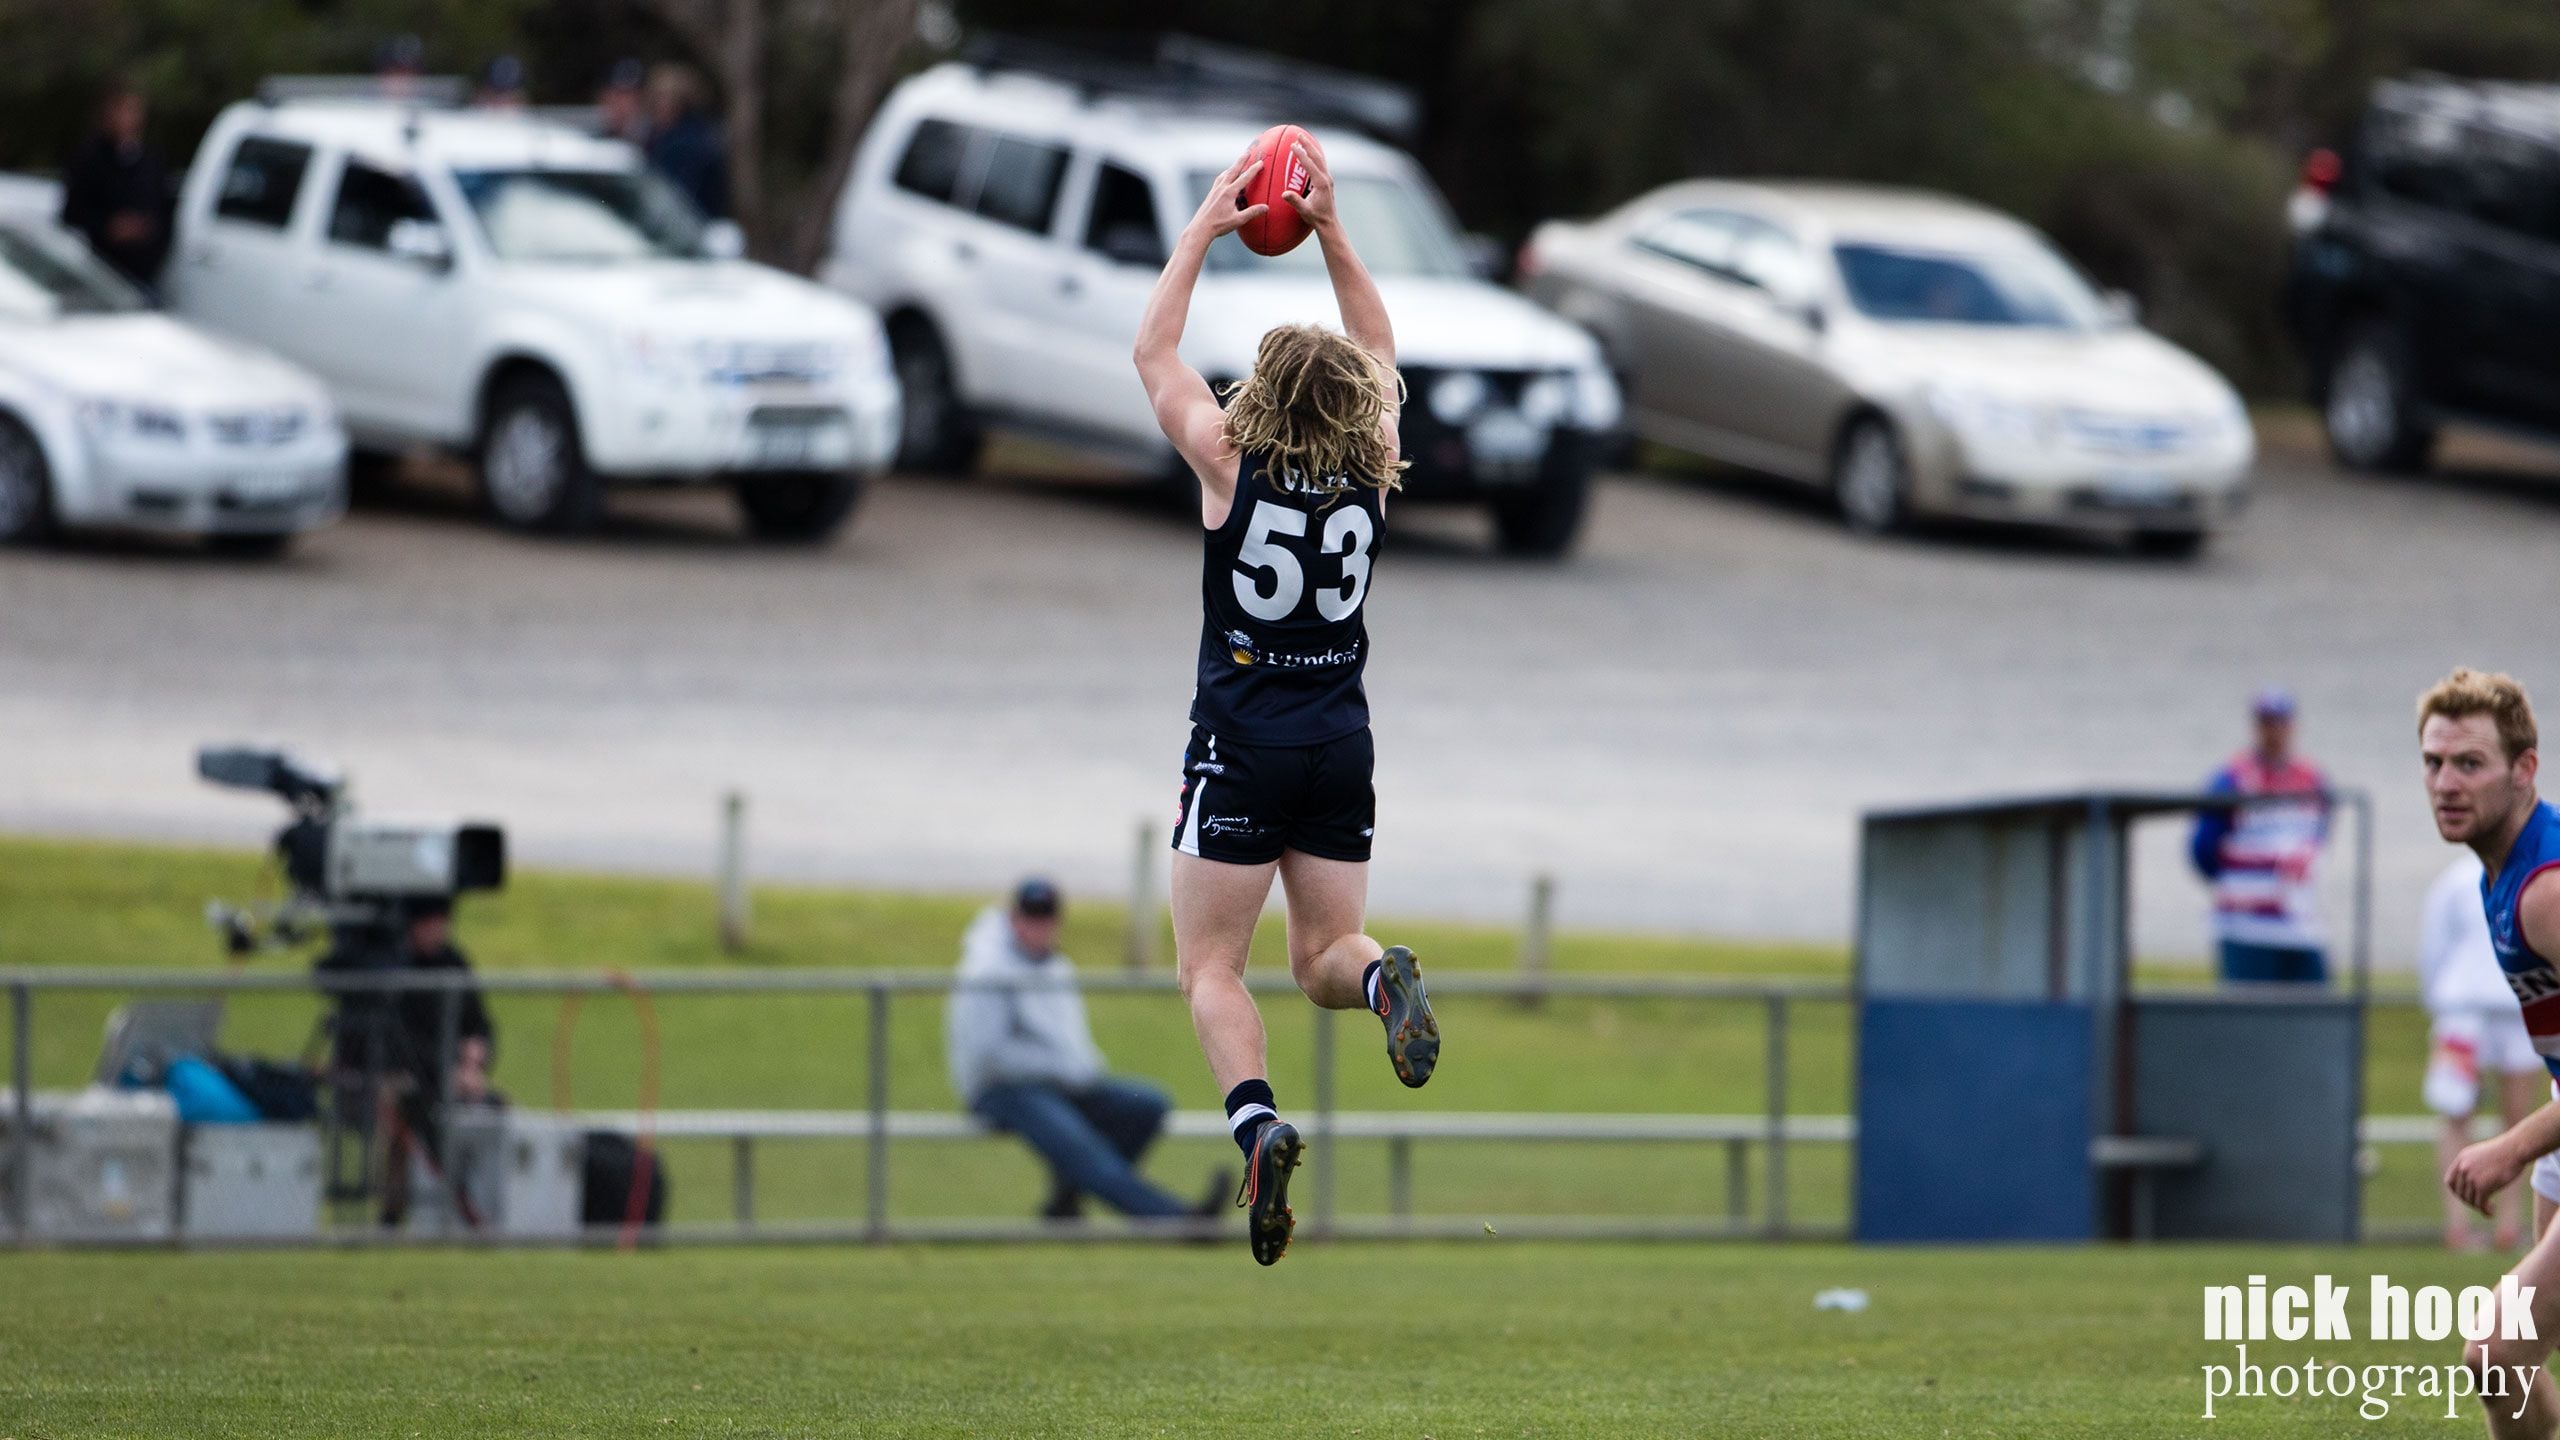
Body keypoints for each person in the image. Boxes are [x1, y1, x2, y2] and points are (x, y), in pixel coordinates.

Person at [1133, 139, 1441, 1266]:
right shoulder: (1374, 458)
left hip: (1241, 742)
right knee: (1324, 958)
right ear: (1356, 400)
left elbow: (1153, 352)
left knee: (1209, 966)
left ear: (1260, 393)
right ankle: (1380, 979)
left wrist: (1205, 229)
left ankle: (1256, 1126)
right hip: (1338, 742)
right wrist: (1333, 232)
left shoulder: (1229, 458)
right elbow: (1381, 347)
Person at [2421, 668, 2560, 1434]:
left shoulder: (2547, 887)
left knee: (2500, 1351)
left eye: (2470, 763)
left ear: (2524, 768)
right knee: (2512, 1355)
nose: (2446, 783)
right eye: (2434, 762)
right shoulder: (2498, 868)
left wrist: (2510, 1147)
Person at [945, 879, 1226, 1223]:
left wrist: (1077, 1067)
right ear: (1014, 919)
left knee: (1147, 1106)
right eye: (1030, 917)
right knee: (1082, 1146)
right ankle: (1179, 1221)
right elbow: (988, 1056)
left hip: (1061, 1084)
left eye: (1046, 917)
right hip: (1001, 1090)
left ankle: (1066, 1201)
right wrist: (1065, 1068)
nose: (1038, 926)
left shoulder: (1055, 966)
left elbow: (1066, 1040)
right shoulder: (986, 973)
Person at [2421, 849, 2538, 1250]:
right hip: (2464, 1011)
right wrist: (2440, 1001)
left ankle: (2509, 1225)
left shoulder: (2530, 877)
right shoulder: (2456, 881)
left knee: (2520, 1120)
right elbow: (2435, 947)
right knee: (2457, 1113)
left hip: (2516, 1008)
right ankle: (2458, 1225)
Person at [2189, 687, 2331, 983]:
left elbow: (2319, 837)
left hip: (2299, 925)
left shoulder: (2312, 779)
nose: (2274, 731)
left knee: (2315, 1006)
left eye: (2280, 722)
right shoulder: (2232, 780)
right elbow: (2202, 849)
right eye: (2267, 722)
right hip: (2246, 928)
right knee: (2250, 1009)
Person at [57, 81, 170, 290]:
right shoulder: (89, 158)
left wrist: (148, 231)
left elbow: (163, 210)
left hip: (142, 271)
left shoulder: (151, 159)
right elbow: (71, 213)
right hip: (100, 270)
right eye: (121, 109)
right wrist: (110, 226)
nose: (127, 117)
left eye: (133, 110)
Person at [644, 64, 729, 220]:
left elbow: (679, 197)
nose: (658, 106)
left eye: (665, 99)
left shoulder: (689, 144)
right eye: (655, 99)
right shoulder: (657, 136)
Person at [595, 59, 650, 146]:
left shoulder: (657, 140)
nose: (619, 104)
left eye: (627, 96)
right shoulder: (597, 142)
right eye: (614, 96)